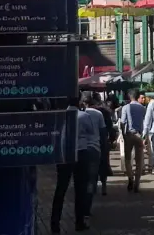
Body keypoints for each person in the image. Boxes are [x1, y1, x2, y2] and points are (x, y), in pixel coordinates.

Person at [52, 97, 105, 232]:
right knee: (80, 189)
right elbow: (91, 132)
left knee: (61, 189)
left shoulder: (60, 115)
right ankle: (79, 222)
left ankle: (54, 223)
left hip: (64, 154)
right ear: (79, 102)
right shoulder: (84, 116)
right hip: (81, 152)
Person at [119, 90, 148, 192]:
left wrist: (123, 134)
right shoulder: (142, 108)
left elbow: (122, 122)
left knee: (127, 159)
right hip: (139, 135)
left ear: (129, 96)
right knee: (139, 161)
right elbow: (146, 121)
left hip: (129, 134)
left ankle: (130, 177)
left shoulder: (126, 107)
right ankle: (137, 184)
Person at [91, 94, 116, 195]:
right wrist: (111, 139)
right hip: (103, 141)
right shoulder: (105, 111)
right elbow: (110, 127)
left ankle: (94, 187)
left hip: (93, 141)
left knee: (93, 165)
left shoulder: (85, 111)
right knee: (104, 164)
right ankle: (104, 186)